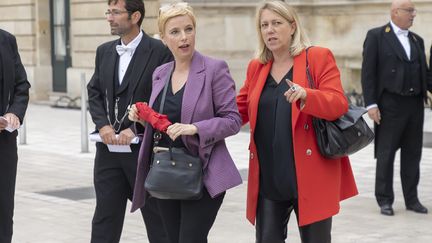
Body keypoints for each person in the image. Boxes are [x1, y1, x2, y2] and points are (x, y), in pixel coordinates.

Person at [236, 1, 358, 242]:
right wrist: (199, 122)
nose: (269, 30)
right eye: (264, 25)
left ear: (292, 26)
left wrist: (307, 96)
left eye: (276, 23)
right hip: (269, 179)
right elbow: (237, 110)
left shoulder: (318, 57)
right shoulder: (257, 67)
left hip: (310, 176)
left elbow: (338, 104)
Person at [128, 2, 243, 243]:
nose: (184, 37)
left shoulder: (214, 69)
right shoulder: (160, 73)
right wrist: (139, 119)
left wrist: (196, 128)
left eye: (189, 29)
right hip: (166, 173)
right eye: (175, 32)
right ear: (163, 38)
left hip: (203, 173)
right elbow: (160, 123)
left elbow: (233, 120)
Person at [86, 0, 172, 242]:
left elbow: (163, 98)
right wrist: (102, 125)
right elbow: (93, 92)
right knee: (104, 218)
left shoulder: (159, 51)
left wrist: (134, 128)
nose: (109, 17)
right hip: (108, 151)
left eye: (115, 12)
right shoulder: (104, 51)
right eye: (108, 12)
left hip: (144, 151)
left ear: (135, 16)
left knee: (157, 220)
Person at [361, 0, 429, 216]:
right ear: (395, 12)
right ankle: (384, 199)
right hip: (389, 105)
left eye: (413, 11)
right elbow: (368, 73)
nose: (413, 14)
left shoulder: (418, 40)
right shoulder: (377, 36)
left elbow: (425, 75)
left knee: (413, 154)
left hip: (415, 105)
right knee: (386, 153)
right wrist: (371, 104)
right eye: (409, 11)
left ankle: (412, 199)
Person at [0, 28, 31, 243]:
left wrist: (14, 111)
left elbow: (22, 85)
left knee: (3, 209)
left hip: (4, 142)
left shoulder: (6, 40)